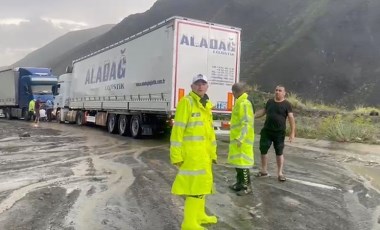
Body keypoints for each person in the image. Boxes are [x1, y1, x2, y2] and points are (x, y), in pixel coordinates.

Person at [170, 74, 218, 230]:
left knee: (203, 186)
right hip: (192, 155)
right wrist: (176, 155)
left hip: (204, 155)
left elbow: (209, 133)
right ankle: (189, 223)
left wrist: (213, 153)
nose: (200, 86)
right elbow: (177, 131)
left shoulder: (206, 105)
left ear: (207, 86)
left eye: (203, 83)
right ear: (192, 86)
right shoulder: (187, 102)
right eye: (197, 83)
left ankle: (199, 216)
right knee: (194, 189)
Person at [255, 85, 296, 182]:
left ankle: (280, 173)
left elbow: (291, 119)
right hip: (267, 131)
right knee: (263, 150)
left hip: (279, 133)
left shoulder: (287, 104)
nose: (277, 92)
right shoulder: (270, 102)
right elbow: (263, 112)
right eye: (276, 90)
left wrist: (292, 133)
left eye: (280, 90)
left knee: (279, 153)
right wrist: (253, 116)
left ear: (284, 93)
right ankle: (264, 170)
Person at [228, 82, 255, 196]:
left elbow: (247, 122)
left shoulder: (244, 103)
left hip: (242, 141)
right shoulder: (240, 103)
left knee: (243, 164)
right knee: (238, 163)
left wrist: (241, 138)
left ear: (235, 92)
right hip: (237, 140)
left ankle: (246, 186)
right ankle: (239, 183)